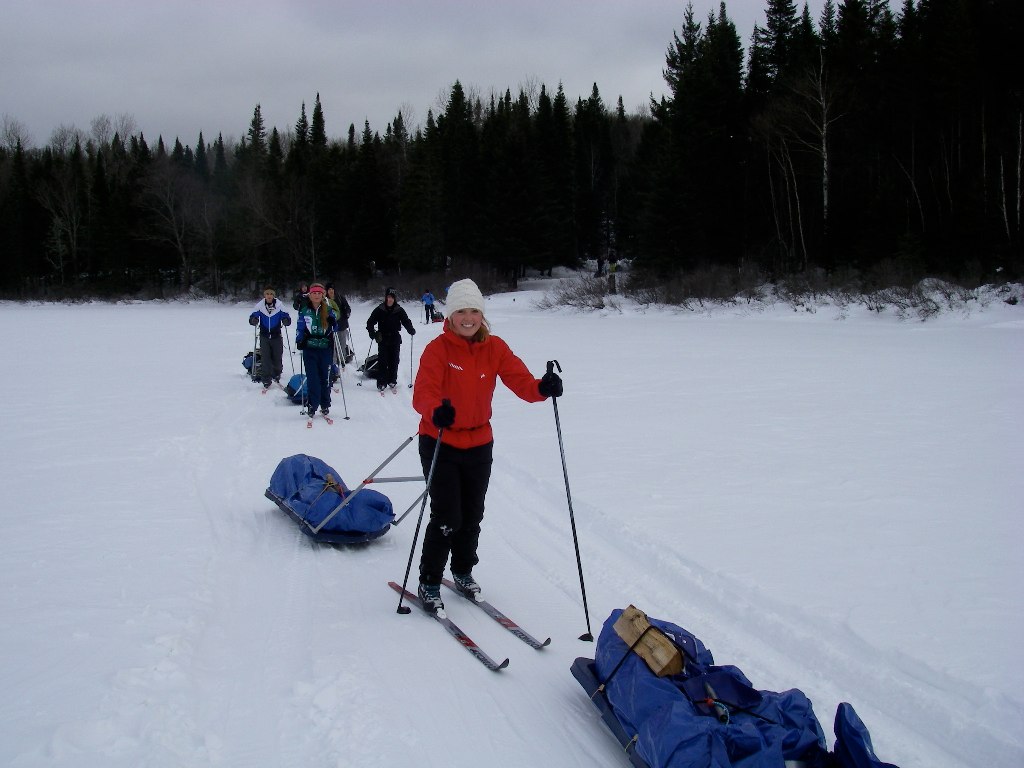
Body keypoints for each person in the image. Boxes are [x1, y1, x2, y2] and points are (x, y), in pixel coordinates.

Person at [410, 278, 563, 613]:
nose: (468, 317)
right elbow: (423, 392)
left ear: (482, 315)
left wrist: (543, 387)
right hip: (440, 441)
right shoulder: (437, 349)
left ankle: (463, 571)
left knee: (472, 515)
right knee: (448, 515)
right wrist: (437, 410)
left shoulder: (495, 348)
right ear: (449, 316)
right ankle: (429, 581)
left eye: (474, 311)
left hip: (479, 442)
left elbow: (521, 381)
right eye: (461, 311)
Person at [295, 283, 337, 417]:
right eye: (314, 293)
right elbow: (300, 327)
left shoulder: (329, 309)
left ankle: (325, 404)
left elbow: (335, 328)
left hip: (325, 348)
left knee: (325, 378)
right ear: (310, 295)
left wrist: (332, 322)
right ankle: (312, 404)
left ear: (322, 295)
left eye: (319, 293)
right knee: (313, 378)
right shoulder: (304, 310)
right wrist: (299, 340)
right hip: (310, 348)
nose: (317, 295)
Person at [365, 287, 416, 392]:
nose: (390, 299)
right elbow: (370, 322)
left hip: (395, 338)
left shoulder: (399, 309)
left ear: (394, 298)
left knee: (394, 360)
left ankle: (392, 380)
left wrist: (410, 329)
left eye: (392, 297)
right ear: (385, 297)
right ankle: (382, 383)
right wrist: (372, 333)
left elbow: (406, 321)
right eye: (388, 297)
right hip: (382, 338)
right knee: (383, 361)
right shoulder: (380, 309)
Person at [248, 286, 292, 389]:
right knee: (265, 357)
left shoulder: (280, 306)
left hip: (276, 335)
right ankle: (266, 379)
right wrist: (253, 320)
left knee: (277, 356)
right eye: (267, 294)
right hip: (264, 335)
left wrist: (286, 320)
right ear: (264, 295)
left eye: (271, 294)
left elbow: (287, 317)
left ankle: (276, 374)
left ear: (273, 295)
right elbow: (252, 316)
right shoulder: (260, 306)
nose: (269, 296)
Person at [325, 282, 353, 368]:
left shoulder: (340, 298)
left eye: (332, 289)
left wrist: (347, 313)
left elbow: (347, 307)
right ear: (327, 291)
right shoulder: (325, 300)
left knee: (342, 345)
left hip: (342, 325)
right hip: (330, 327)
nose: (331, 291)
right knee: (332, 347)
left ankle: (342, 361)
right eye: (329, 289)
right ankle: (333, 365)